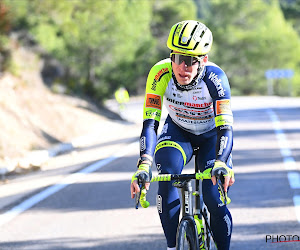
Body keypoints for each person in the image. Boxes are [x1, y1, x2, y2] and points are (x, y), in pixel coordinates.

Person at [130, 20, 235, 250]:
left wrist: (221, 162)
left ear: (203, 60)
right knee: (165, 175)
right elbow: (150, 124)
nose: (182, 67)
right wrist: (143, 164)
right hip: (179, 131)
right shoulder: (159, 74)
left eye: (189, 61)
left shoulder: (216, 79)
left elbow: (225, 128)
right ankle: (172, 247)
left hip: (211, 137)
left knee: (213, 197)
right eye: (177, 58)